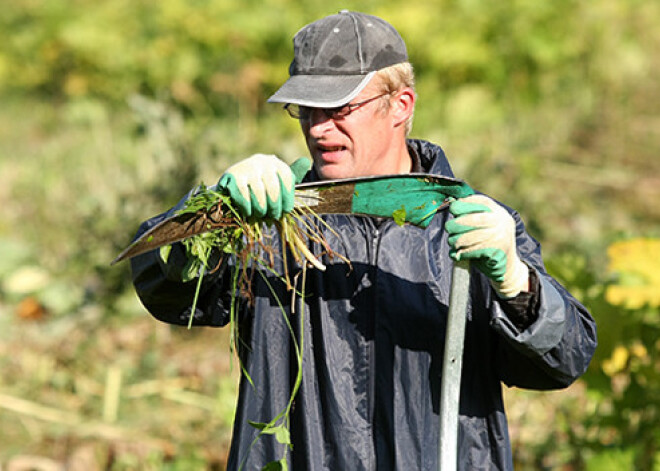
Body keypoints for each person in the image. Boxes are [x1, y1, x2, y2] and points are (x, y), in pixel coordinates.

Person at [130, 10, 597, 470]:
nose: (317, 127)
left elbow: (563, 361)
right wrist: (211, 216)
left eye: (340, 108)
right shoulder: (270, 225)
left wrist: (516, 283)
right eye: (306, 108)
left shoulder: (470, 227)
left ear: (401, 105)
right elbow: (166, 291)